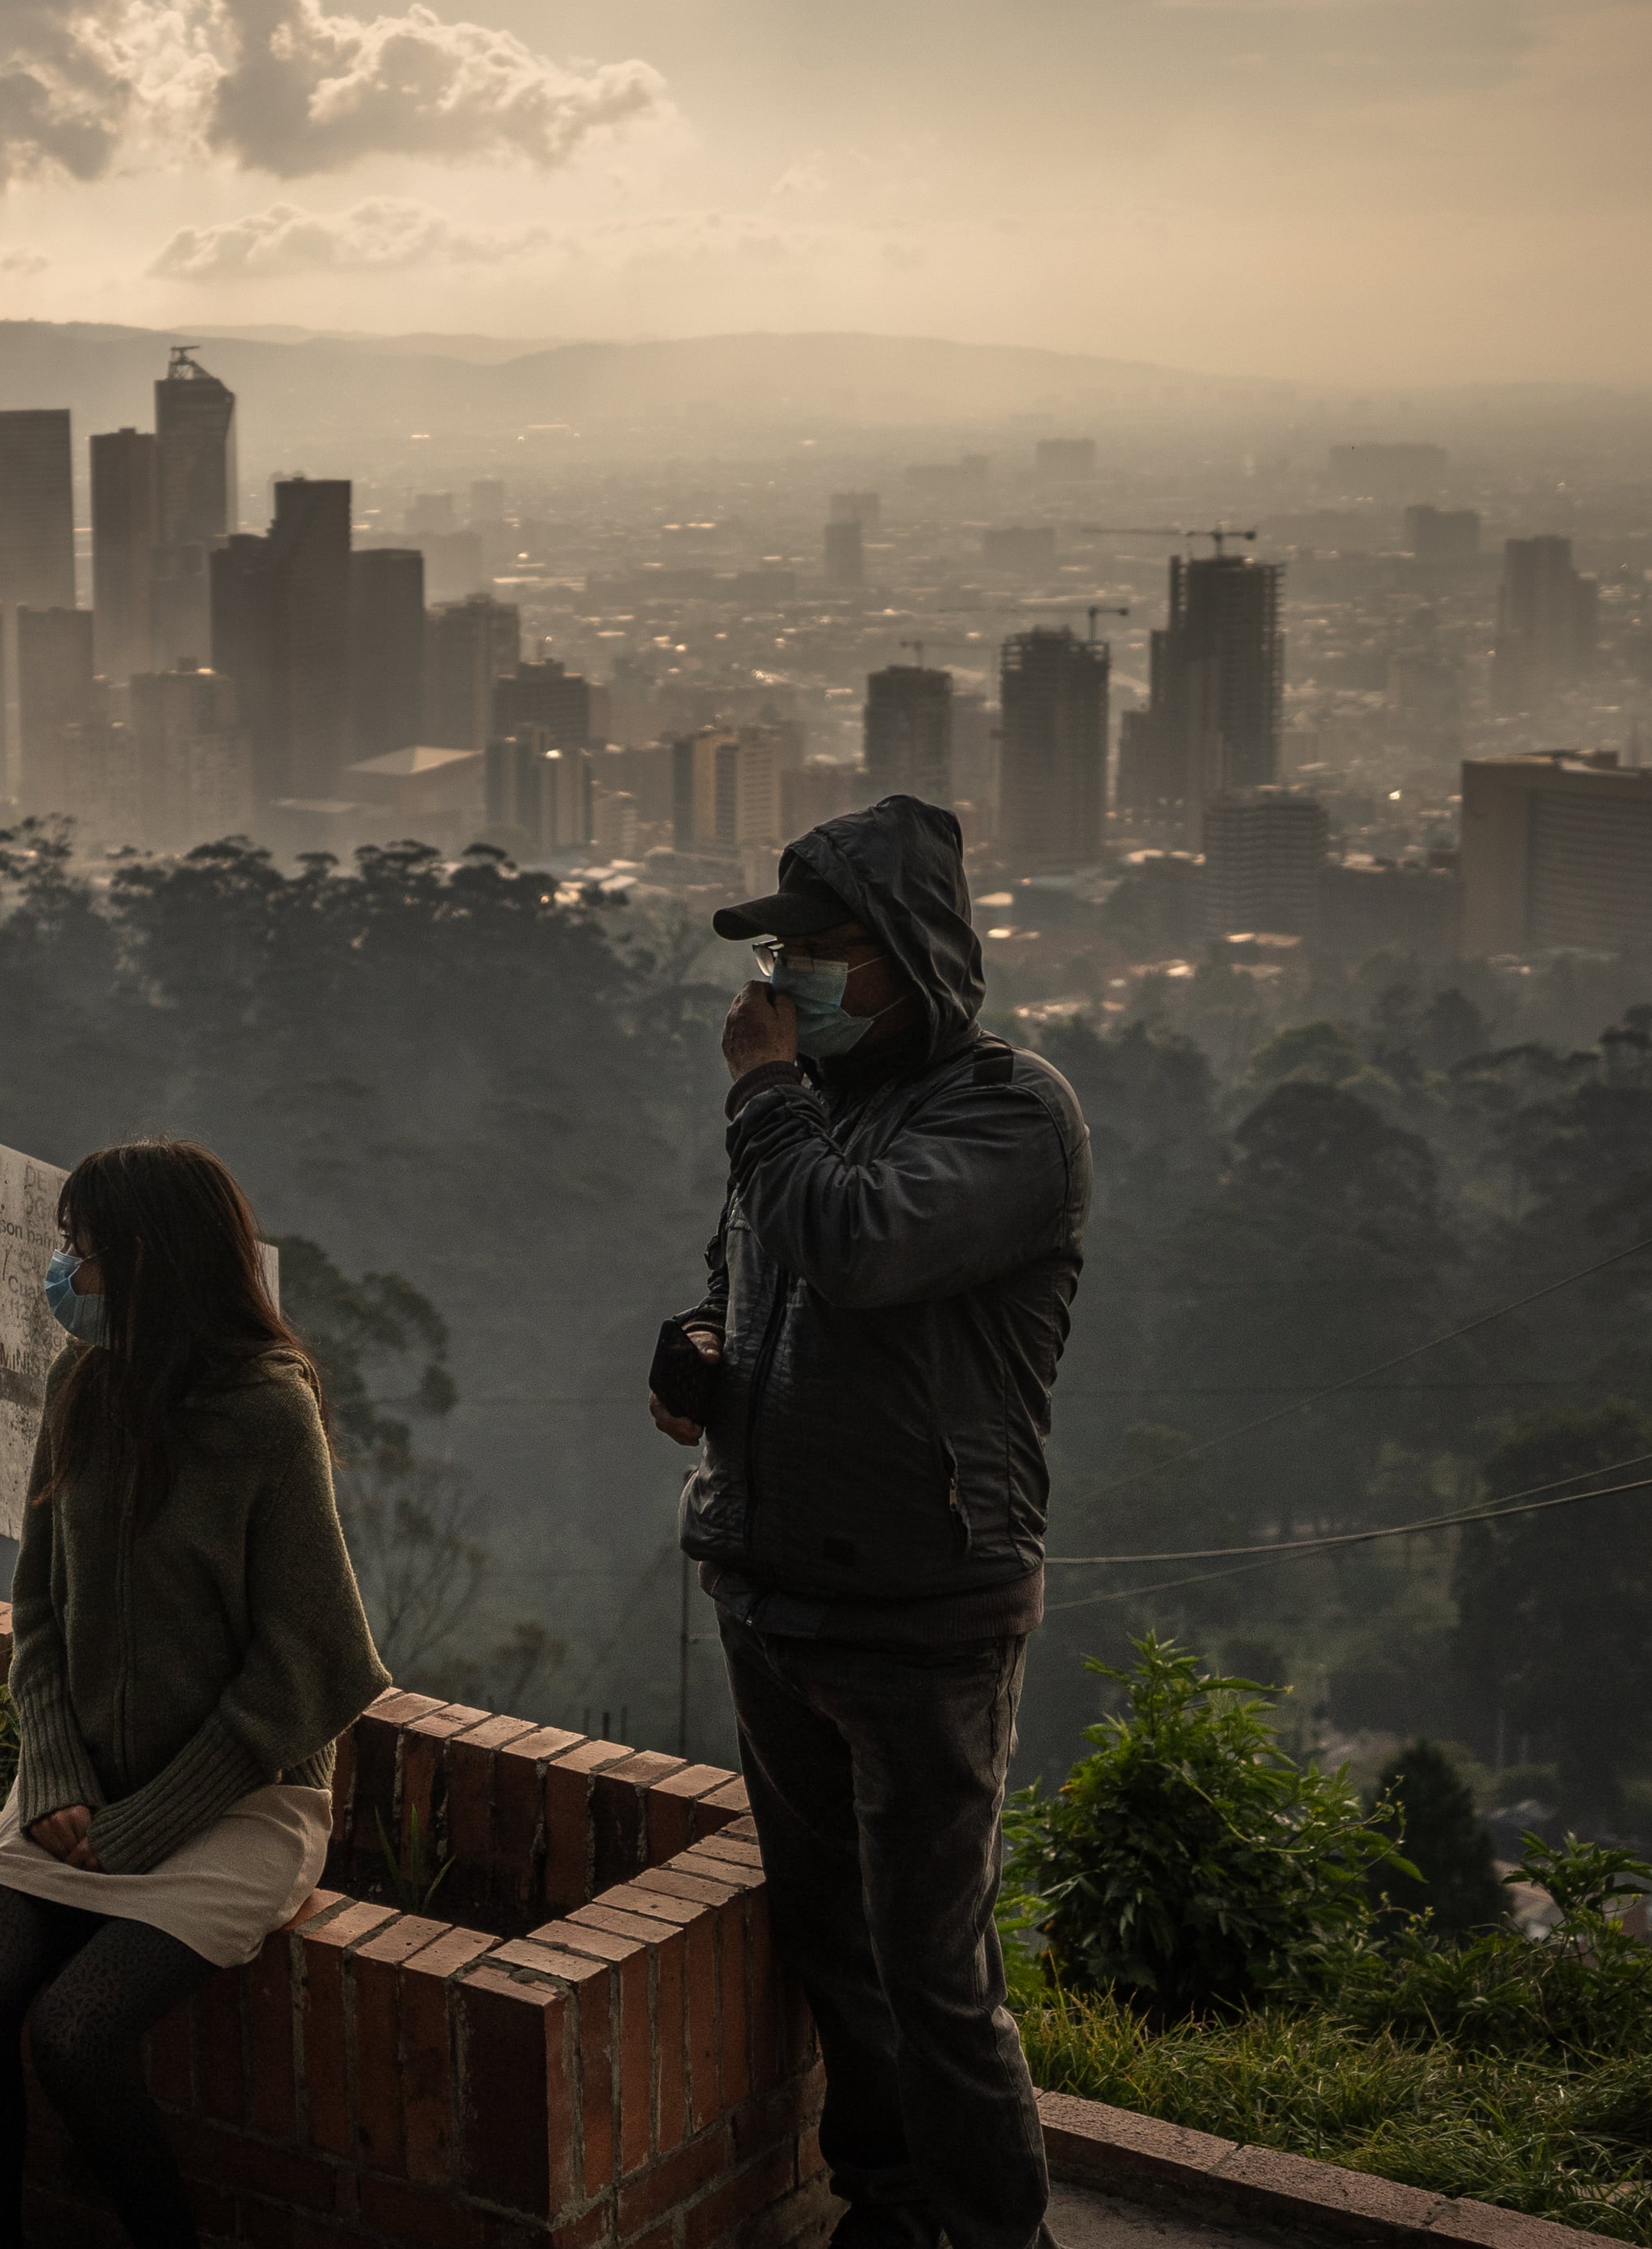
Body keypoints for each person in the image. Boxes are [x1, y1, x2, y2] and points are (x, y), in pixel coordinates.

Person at [650, 795, 1089, 2249]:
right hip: (770, 1581)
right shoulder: (813, 1111)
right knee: (831, 1935)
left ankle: (995, 2228)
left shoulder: (1011, 1112)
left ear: (911, 955)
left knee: (934, 1966)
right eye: (784, 954)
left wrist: (764, 1094)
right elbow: (755, 1270)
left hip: (923, 1605)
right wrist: (704, 1349)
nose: (789, 986)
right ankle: (891, 2194)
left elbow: (853, 1247)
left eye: (824, 952)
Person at [0, 1140, 389, 2249]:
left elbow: (309, 1662)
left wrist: (154, 1820)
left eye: (80, 1251)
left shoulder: (269, 1413)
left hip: (239, 1804)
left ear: (151, 1261)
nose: (64, 1273)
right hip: (79, 1791)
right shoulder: (79, 1381)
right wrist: (53, 1770)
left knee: (76, 2035)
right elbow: (38, 1606)